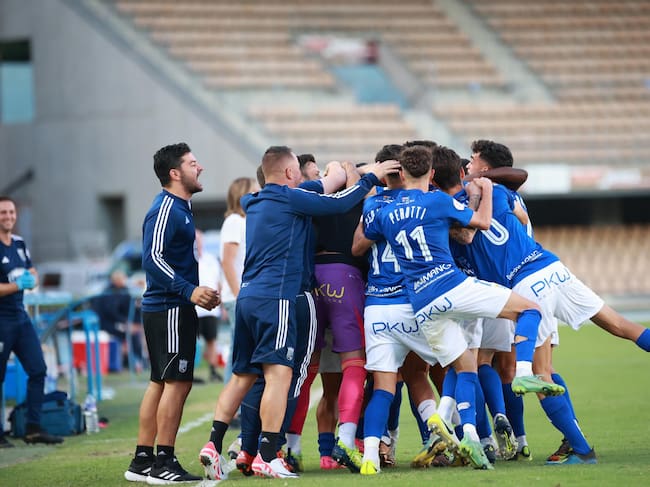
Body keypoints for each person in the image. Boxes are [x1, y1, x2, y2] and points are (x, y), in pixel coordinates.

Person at [198, 146, 400, 480]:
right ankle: (267, 454)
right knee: (281, 377)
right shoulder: (293, 199)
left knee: (242, 376)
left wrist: (345, 172)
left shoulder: (253, 200)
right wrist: (369, 180)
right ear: (291, 173)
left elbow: (321, 186)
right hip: (277, 297)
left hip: (247, 297)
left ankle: (213, 443)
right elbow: (338, 202)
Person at [363, 145, 563, 470]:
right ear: (430, 174)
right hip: (452, 286)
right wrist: (485, 191)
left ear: (401, 172)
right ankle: (524, 375)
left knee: (464, 366)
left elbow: (363, 239)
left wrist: (368, 181)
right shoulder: (437, 201)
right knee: (530, 310)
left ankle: (463, 432)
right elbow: (479, 224)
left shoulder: (383, 211)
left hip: (421, 303)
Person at [461, 139, 650, 465]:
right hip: (552, 267)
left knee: (541, 374)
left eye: (473, 159)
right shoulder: (506, 193)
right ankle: (571, 440)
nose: (469, 163)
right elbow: (520, 209)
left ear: (487, 168)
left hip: (527, 284)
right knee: (621, 325)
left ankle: (582, 450)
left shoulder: (469, 196)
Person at [124, 143, 221, 483]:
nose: (200, 167)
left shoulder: (181, 207)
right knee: (177, 384)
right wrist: (188, 290)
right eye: (193, 163)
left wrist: (193, 293)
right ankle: (164, 462)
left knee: (160, 382)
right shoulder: (166, 207)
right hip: (169, 308)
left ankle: (142, 460)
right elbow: (152, 259)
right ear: (175, 173)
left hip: (170, 307)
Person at [0, 196, 63, 447]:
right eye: (3, 213)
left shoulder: (18, 243)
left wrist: (32, 279)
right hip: (2, 320)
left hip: (20, 317)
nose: (8, 216)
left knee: (38, 370)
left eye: (11, 212)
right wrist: (18, 285)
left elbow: (32, 271)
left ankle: (33, 429)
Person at [220, 177, 259, 385]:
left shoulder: (244, 221)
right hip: (238, 296)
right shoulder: (234, 221)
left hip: (243, 294)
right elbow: (227, 261)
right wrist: (239, 295)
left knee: (242, 350)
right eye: (254, 190)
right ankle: (231, 400)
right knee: (239, 352)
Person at [90, 268, 144, 373]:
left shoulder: (125, 291)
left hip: (121, 322)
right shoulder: (109, 292)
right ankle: (134, 362)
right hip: (107, 323)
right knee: (131, 334)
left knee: (135, 333)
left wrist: (136, 323)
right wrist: (126, 323)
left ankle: (138, 362)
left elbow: (131, 309)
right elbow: (110, 311)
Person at [195, 229, 223, 382]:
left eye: (199, 240)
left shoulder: (211, 259)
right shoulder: (187, 259)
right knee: (191, 341)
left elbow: (218, 282)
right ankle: (189, 372)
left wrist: (221, 305)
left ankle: (213, 371)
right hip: (194, 308)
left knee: (212, 340)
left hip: (211, 309)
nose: (197, 243)